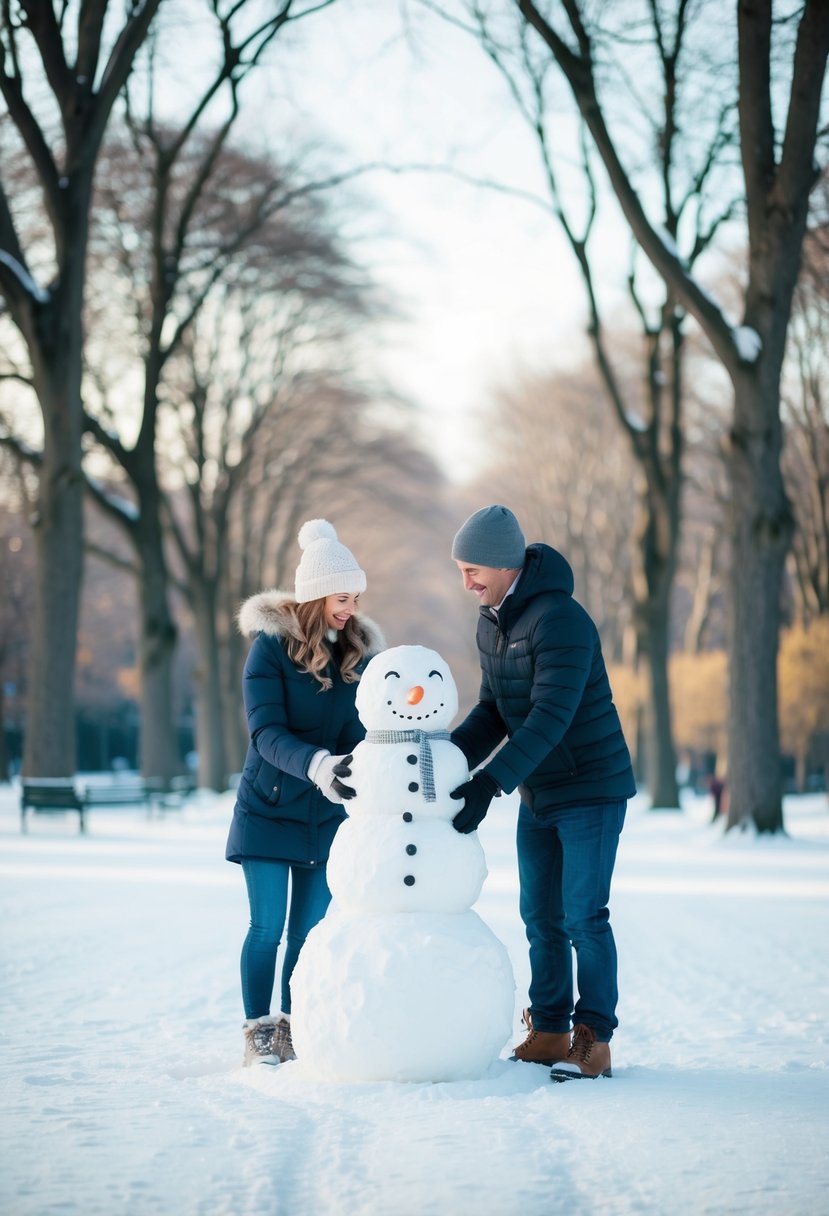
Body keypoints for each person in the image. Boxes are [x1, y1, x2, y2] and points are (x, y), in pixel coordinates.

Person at [448, 505, 635, 1081]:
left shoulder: (563, 621)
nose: (467, 581)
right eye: (460, 569)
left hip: (591, 788)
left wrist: (489, 783)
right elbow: (494, 711)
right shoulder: (492, 622)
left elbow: (551, 717)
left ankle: (593, 1038)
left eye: (473, 568)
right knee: (540, 917)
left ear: (506, 564)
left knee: (583, 916)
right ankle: (551, 1028)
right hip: (540, 791)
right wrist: (446, 763)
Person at [226, 519, 384, 1066]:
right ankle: (258, 1030)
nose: (351, 607)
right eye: (343, 597)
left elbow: (361, 734)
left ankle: (292, 1024)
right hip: (269, 808)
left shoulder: (356, 653)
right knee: (266, 927)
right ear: (317, 595)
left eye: (356, 597)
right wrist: (317, 764)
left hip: (326, 813)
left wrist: (366, 768)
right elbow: (265, 733)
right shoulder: (269, 650)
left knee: (309, 933)